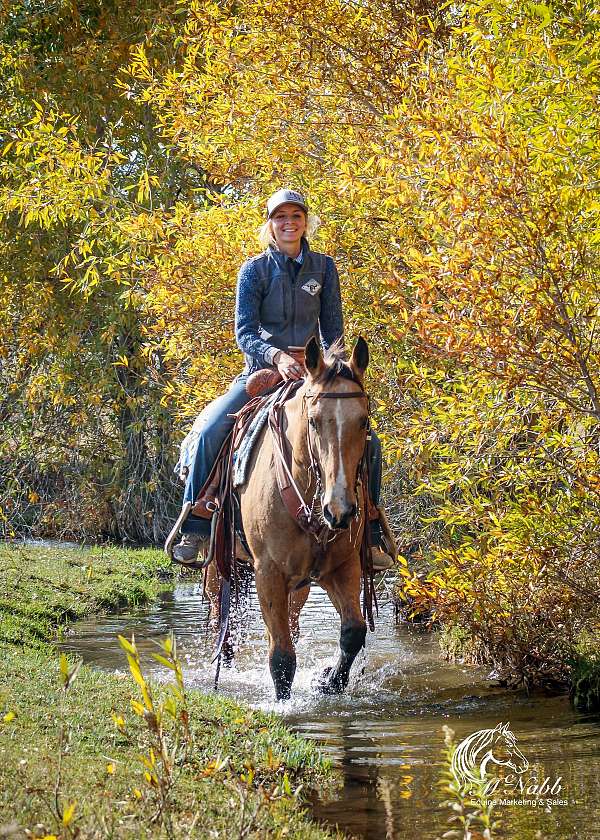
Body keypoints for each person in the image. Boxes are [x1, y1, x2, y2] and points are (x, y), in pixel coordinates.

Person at [169, 189, 394, 569]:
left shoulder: (324, 267)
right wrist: (276, 357)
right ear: (270, 224)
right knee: (210, 429)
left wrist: (326, 367)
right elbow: (245, 331)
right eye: (280, 217)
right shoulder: (253, 271)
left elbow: (333, 331)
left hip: (314, 374)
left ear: (306, 222)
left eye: (296, 216)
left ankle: (369, 529)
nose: (288, 223)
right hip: (262, 371)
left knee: (367, 440)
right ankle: (197, 522)